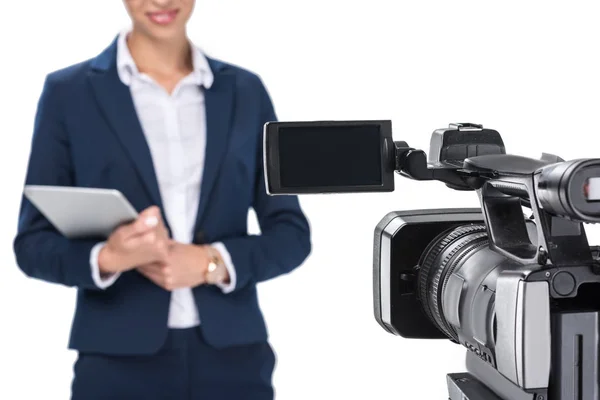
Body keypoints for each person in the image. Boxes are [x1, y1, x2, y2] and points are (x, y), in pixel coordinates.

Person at [13, 0, 311, 398]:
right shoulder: (69, 93)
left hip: (234, 360)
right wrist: (109, 258)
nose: (161, 2)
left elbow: (291, 234)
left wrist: (212, 262)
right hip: (116, 361)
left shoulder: (245, 91)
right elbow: (32, 245)